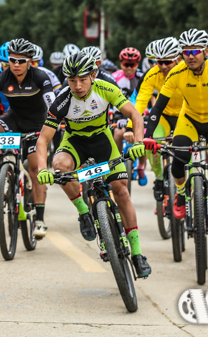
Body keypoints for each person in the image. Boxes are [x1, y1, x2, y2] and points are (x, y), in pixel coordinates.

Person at [35, 50, 151, 277]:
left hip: (102, 141)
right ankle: (83, 212)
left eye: (82, 79)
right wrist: (41, 169)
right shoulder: (62, 100)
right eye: (72, 80)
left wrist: (138, 141)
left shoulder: (106, 89)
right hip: (75, 143)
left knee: (122, 191)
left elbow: (135, 116)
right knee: (59, 166)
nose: (77, 86)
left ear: (93, 74)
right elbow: (43, 140)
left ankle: (137, 253)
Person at [142, 28, 208, 254]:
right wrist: (148, 135)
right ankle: (181, 195)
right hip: (189, 121)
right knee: (179, 157)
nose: (190, 56)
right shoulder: (176, 73)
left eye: (195, 51)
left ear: (206, 51)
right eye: (185, 52)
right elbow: (157, 108)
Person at [0, 39, 55, 237]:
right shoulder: (1, 77)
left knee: (36, 168)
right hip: (13, 119)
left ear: (30, 61)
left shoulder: (40, 76)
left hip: (36, 124)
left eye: (21, 61)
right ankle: (3, 180)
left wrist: (56, 123)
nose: (16, 65)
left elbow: (52, 103)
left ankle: (39, 219)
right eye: (12, 60)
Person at [134, 37, 183, 202]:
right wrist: (129, 127)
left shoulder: (186, 71)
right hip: (163, 116)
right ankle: (160, 178)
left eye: (167, 62)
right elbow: (141, 101)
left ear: (178, 58)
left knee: (183, 149)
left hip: (185, 115)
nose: (162, 66)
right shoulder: (152, 74)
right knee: (152, 143)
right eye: (159, 62)